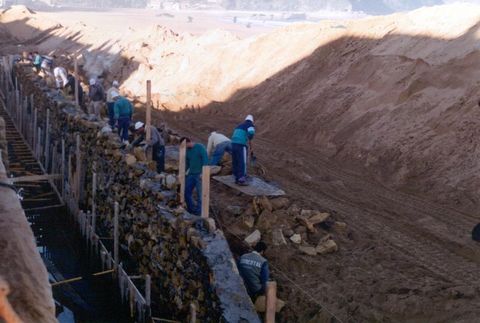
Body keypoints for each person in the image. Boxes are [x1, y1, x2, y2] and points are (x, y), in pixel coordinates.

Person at [182, 137, 208, 216]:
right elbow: (187, 164)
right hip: (191, 174)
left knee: (201, 195)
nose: (185, 147)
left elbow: (205, 159)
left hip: (199, 174)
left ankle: (199, 213)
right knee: (186, 193)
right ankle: (191, 210)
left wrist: (204, 173)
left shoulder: (200, 147)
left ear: (188, 142)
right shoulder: (187, 151)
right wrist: (183, 173)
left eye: (185, 145)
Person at [231, 114, 255, 185]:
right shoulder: (250, 124)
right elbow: (251, 132)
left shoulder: (239, 125)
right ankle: (241, 178)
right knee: (242, 161)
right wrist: (250, 137)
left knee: (235, 160)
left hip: (233, 143)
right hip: (241, 145)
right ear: (252, 120)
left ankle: (236, 176)